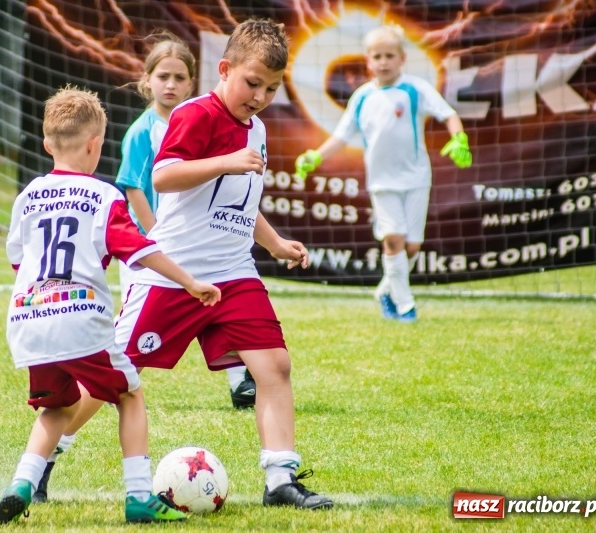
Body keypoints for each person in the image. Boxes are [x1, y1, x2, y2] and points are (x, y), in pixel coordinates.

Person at [45, 18, 333, 511]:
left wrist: (275, 242)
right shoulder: (196, 114)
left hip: (235, 272)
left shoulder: (257, 129)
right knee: (114, 374)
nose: (259, 96)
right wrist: (225, 161)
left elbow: (241, 202)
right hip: (174, 272)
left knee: (275, 367)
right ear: (224, 70)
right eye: (251, 83)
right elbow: (166, 175)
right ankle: (47, 454)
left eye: (269, 88)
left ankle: (280, 479)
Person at [0, 85, 221, 526]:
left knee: (56, 406)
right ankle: (138, 496)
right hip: (80, 319)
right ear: (96, 145)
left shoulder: (28, 195)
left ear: (46, 143)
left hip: (29, 318)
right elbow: (140, 251)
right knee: (130, 394)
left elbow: (18, 257)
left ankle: (21, 482)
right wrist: (190, 282)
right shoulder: (104, 196)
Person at [113, 34, 257, 411]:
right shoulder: (143, 131)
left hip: (198, 246)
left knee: (217, 305)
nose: (171, 84)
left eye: (179, 77)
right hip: (148, 250)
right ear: (147, 80)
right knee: (135, 328)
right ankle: (112, 380)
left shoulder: (206, 119)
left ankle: (240, 379)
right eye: (163, 76)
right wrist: (153, 241)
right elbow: (135, 189)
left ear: (192, 82)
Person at [295, 24, 472, 323]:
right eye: (377, 56)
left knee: (412, 247)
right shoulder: (362, 97)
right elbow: (341, 135)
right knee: (393, 240)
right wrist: (315, 156)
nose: (384, 62)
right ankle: (405, 306)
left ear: (402, 58)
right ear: (368, 60)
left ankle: (385, 290)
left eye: (390, 55)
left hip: (416, 179)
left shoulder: (415, 89)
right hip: (381, 183)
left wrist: (459, 138)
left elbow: (448, 114)